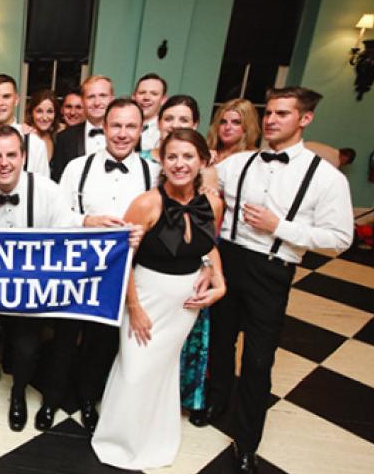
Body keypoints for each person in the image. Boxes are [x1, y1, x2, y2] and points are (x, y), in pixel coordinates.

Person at [196, 87, 353, 473]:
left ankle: (246, 439)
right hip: (229, 259)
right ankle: (216, 401)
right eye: (269, 113)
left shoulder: (325, 177)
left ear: (305, 119)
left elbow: (340, 239)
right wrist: (207, 176)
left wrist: (280, 227)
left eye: (282, 114)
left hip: (272, 267)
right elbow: (205, 178)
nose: (271, 120)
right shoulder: (241, 163)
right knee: (220, 340)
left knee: (258, 358)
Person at [0, 125, 141, 432]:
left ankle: (17, 395)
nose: (4, 162)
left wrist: (95, 224)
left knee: (27, 349)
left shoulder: (46, 190)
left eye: (11, 155)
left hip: (30, 293)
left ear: (23, 157)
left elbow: (69, 224)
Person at [91, 128, 226, 469]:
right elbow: (121, 261)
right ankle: (118, 439)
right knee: (134, 370)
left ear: (203, 160)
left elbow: (209, 245)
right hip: (146, 296)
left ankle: (155, 436)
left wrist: (218, 279)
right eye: (172, 157)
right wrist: (133, 308)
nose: (180, 164)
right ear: (162, 162)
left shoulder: (213, 202)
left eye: (188, 156)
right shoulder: (146, 203)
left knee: (162, 371)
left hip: (185, 305)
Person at [40, 99, 160, 433]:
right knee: (64, 338)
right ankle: (51, 400)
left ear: (141, 130)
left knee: (101, 342)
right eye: (116, 126)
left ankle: (89, 400)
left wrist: (143, 233)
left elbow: (162, 222)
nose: (122, 134)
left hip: (120, 274)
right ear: (104, 128)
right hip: (75, 269)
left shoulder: (154, 173)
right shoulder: (78, 168)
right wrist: (86, 220)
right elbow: (56, 218)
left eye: (130, 127)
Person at [51, 75, 114, 182]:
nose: (97, 103)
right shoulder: (64, 138)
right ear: (83, 101)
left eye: (103, 96)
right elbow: (58, 180)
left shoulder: (125, 136)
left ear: (112, 99)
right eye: (91, 97)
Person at [140, 95, 200, 163]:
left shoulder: (202, 162)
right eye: (168, 119)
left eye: (184, 120)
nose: (175, 125)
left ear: (194, 125)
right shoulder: (138, 160)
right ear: (158, 123)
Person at [206, 98, 260, 163]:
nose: (227, 127)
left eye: (236, 122)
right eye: (223, 122)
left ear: (247, 127)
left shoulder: (254, 158)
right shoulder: (205, 151)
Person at [132, 73, 168, 151]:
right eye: (142, 93)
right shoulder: (118, 126)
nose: (146, 98)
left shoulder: (165, 131)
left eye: (154, 94)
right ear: (133, 97)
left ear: (163, 100)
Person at [25, 89, 61, 161]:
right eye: (39, 111)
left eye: (50, 111)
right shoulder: (24, 137)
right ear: (31, 113)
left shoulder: (57, 139)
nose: (45, 118)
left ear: (55, 114)